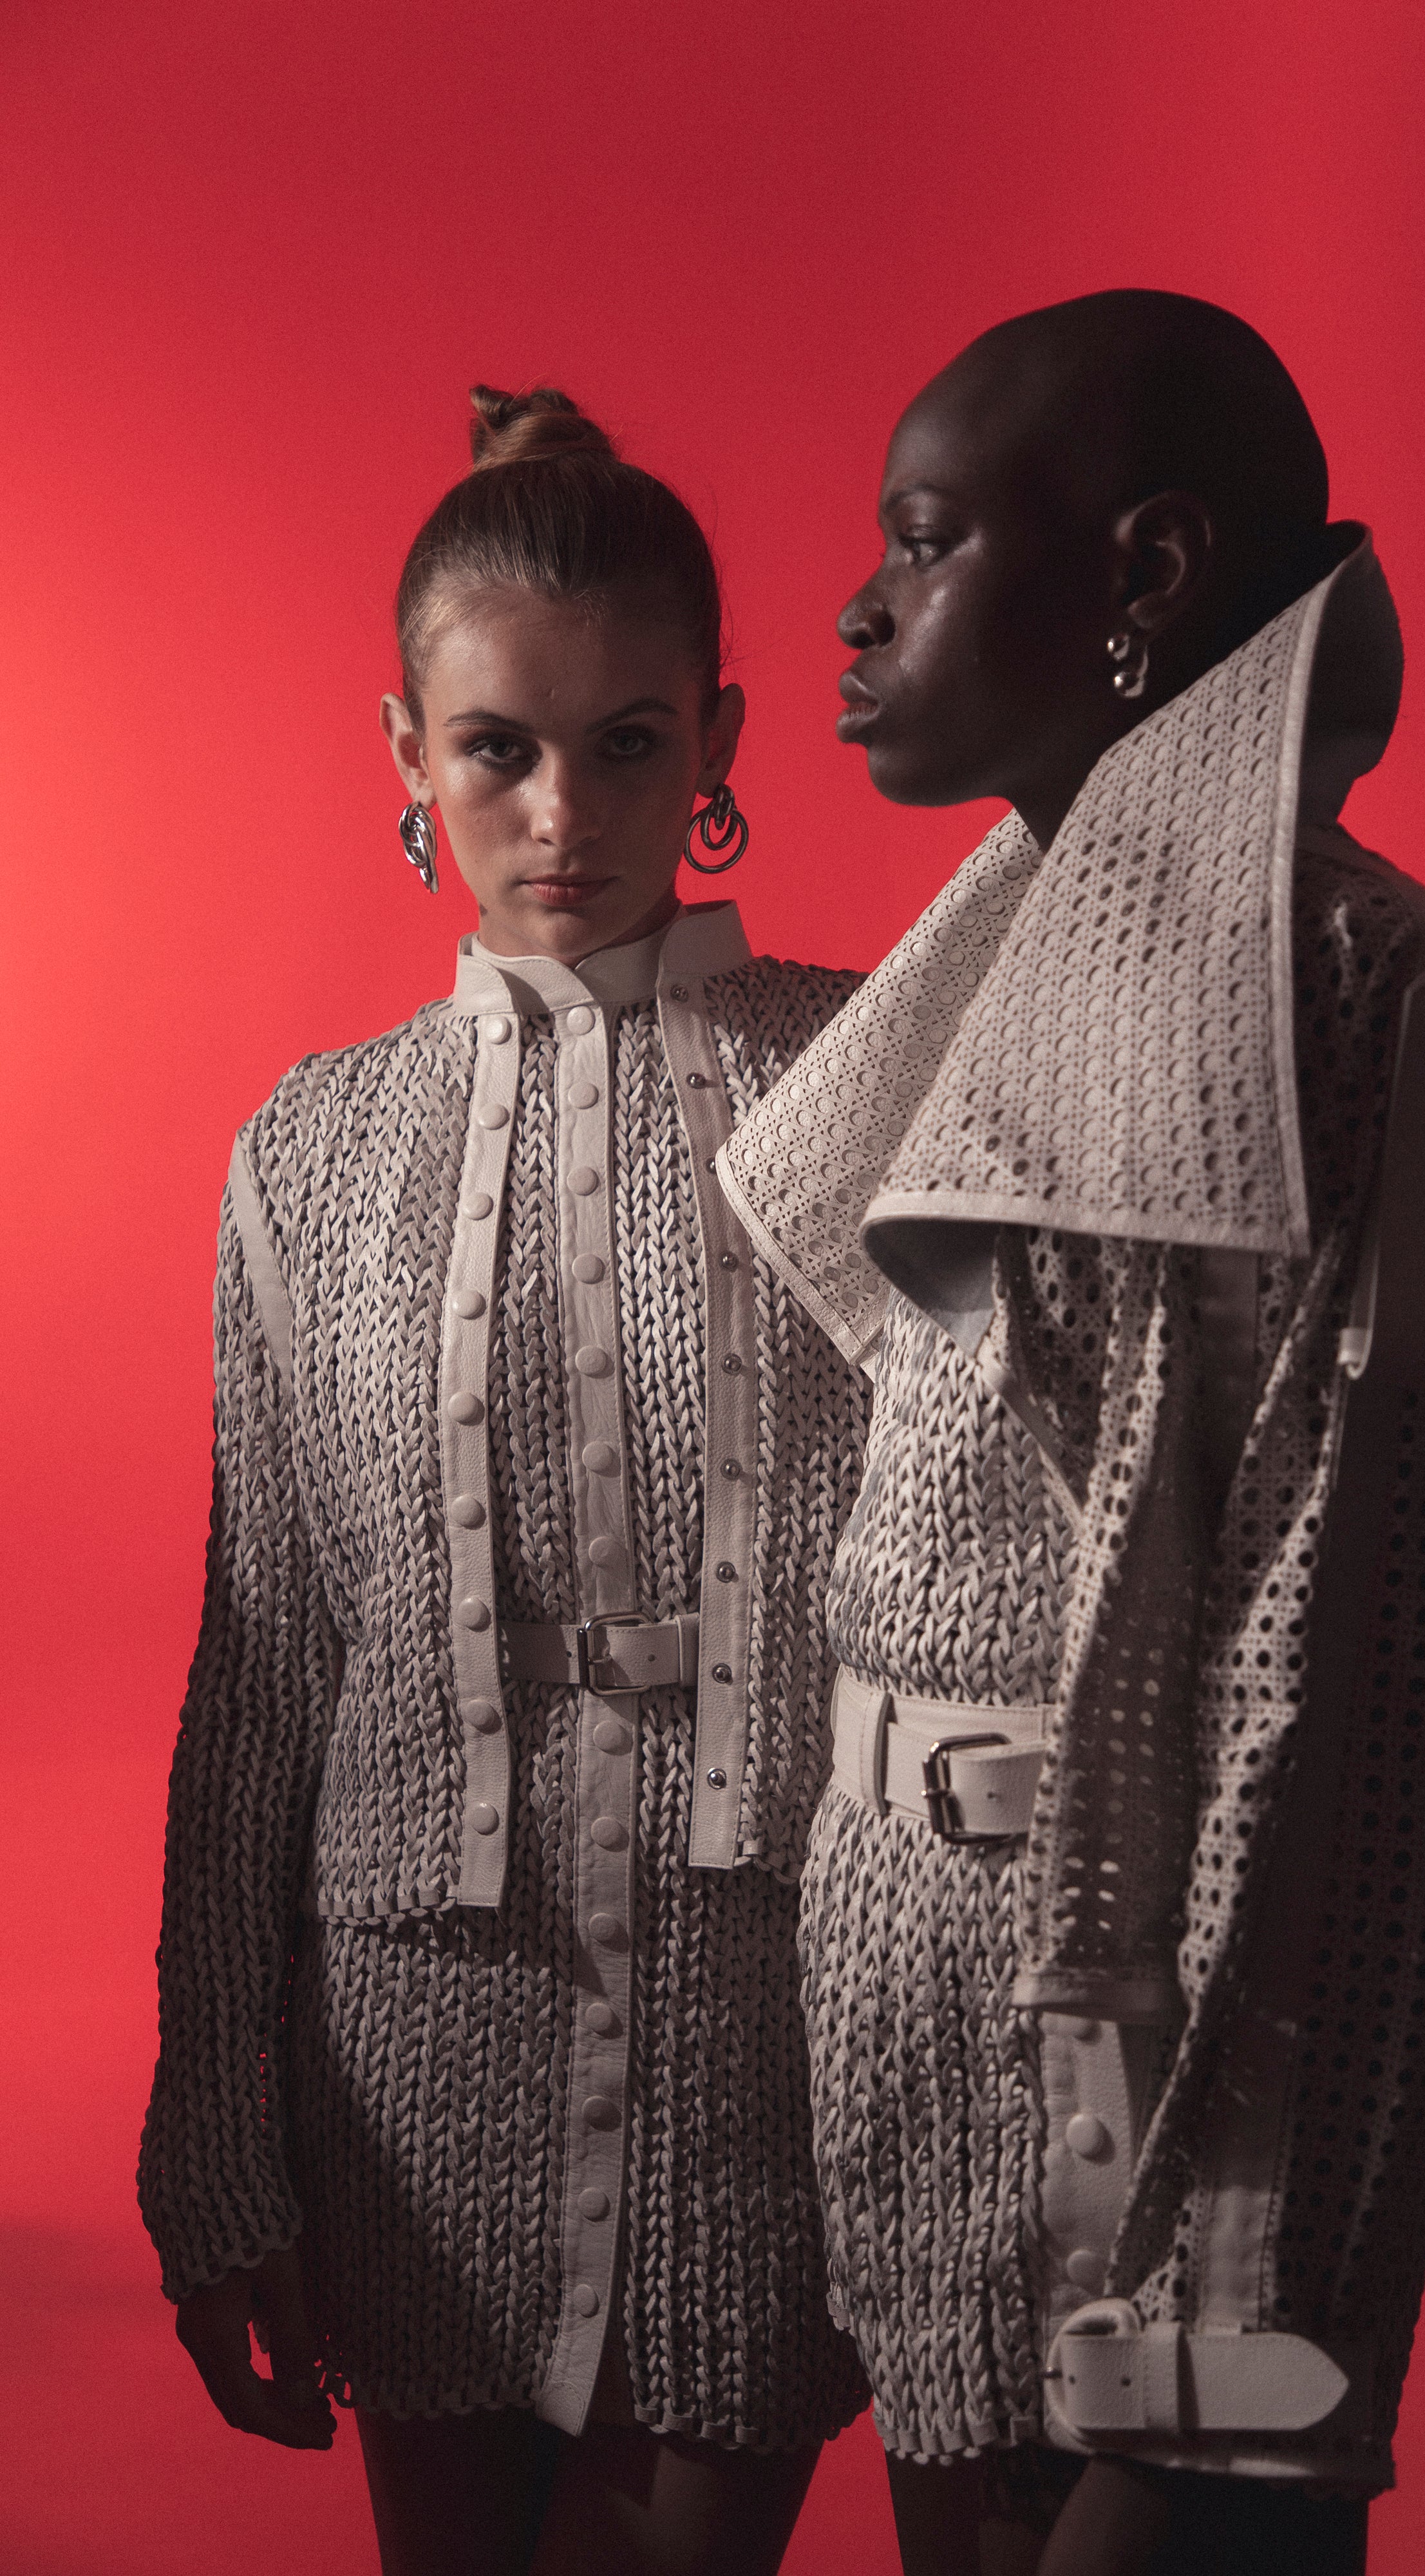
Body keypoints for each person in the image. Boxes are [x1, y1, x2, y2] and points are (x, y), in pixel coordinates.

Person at [717, 292, 1425, 2573]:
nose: (858, 610)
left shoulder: (1352, 980)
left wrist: (1222, 2284)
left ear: (1142, 576)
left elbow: (1335, 1677)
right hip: (903, 1971)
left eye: (926, 542)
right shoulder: (996, 955)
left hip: (1152, 2022)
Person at [138, 384, 873, 2576]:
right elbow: (262, 1672)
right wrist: (214, 2144)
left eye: (627, 742)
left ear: (718, 736)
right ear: (407, 752)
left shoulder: (871, 1086)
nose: (563, 813)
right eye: (497, 750)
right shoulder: (307, 1149)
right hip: (411, 2031)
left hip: (770, 2024)